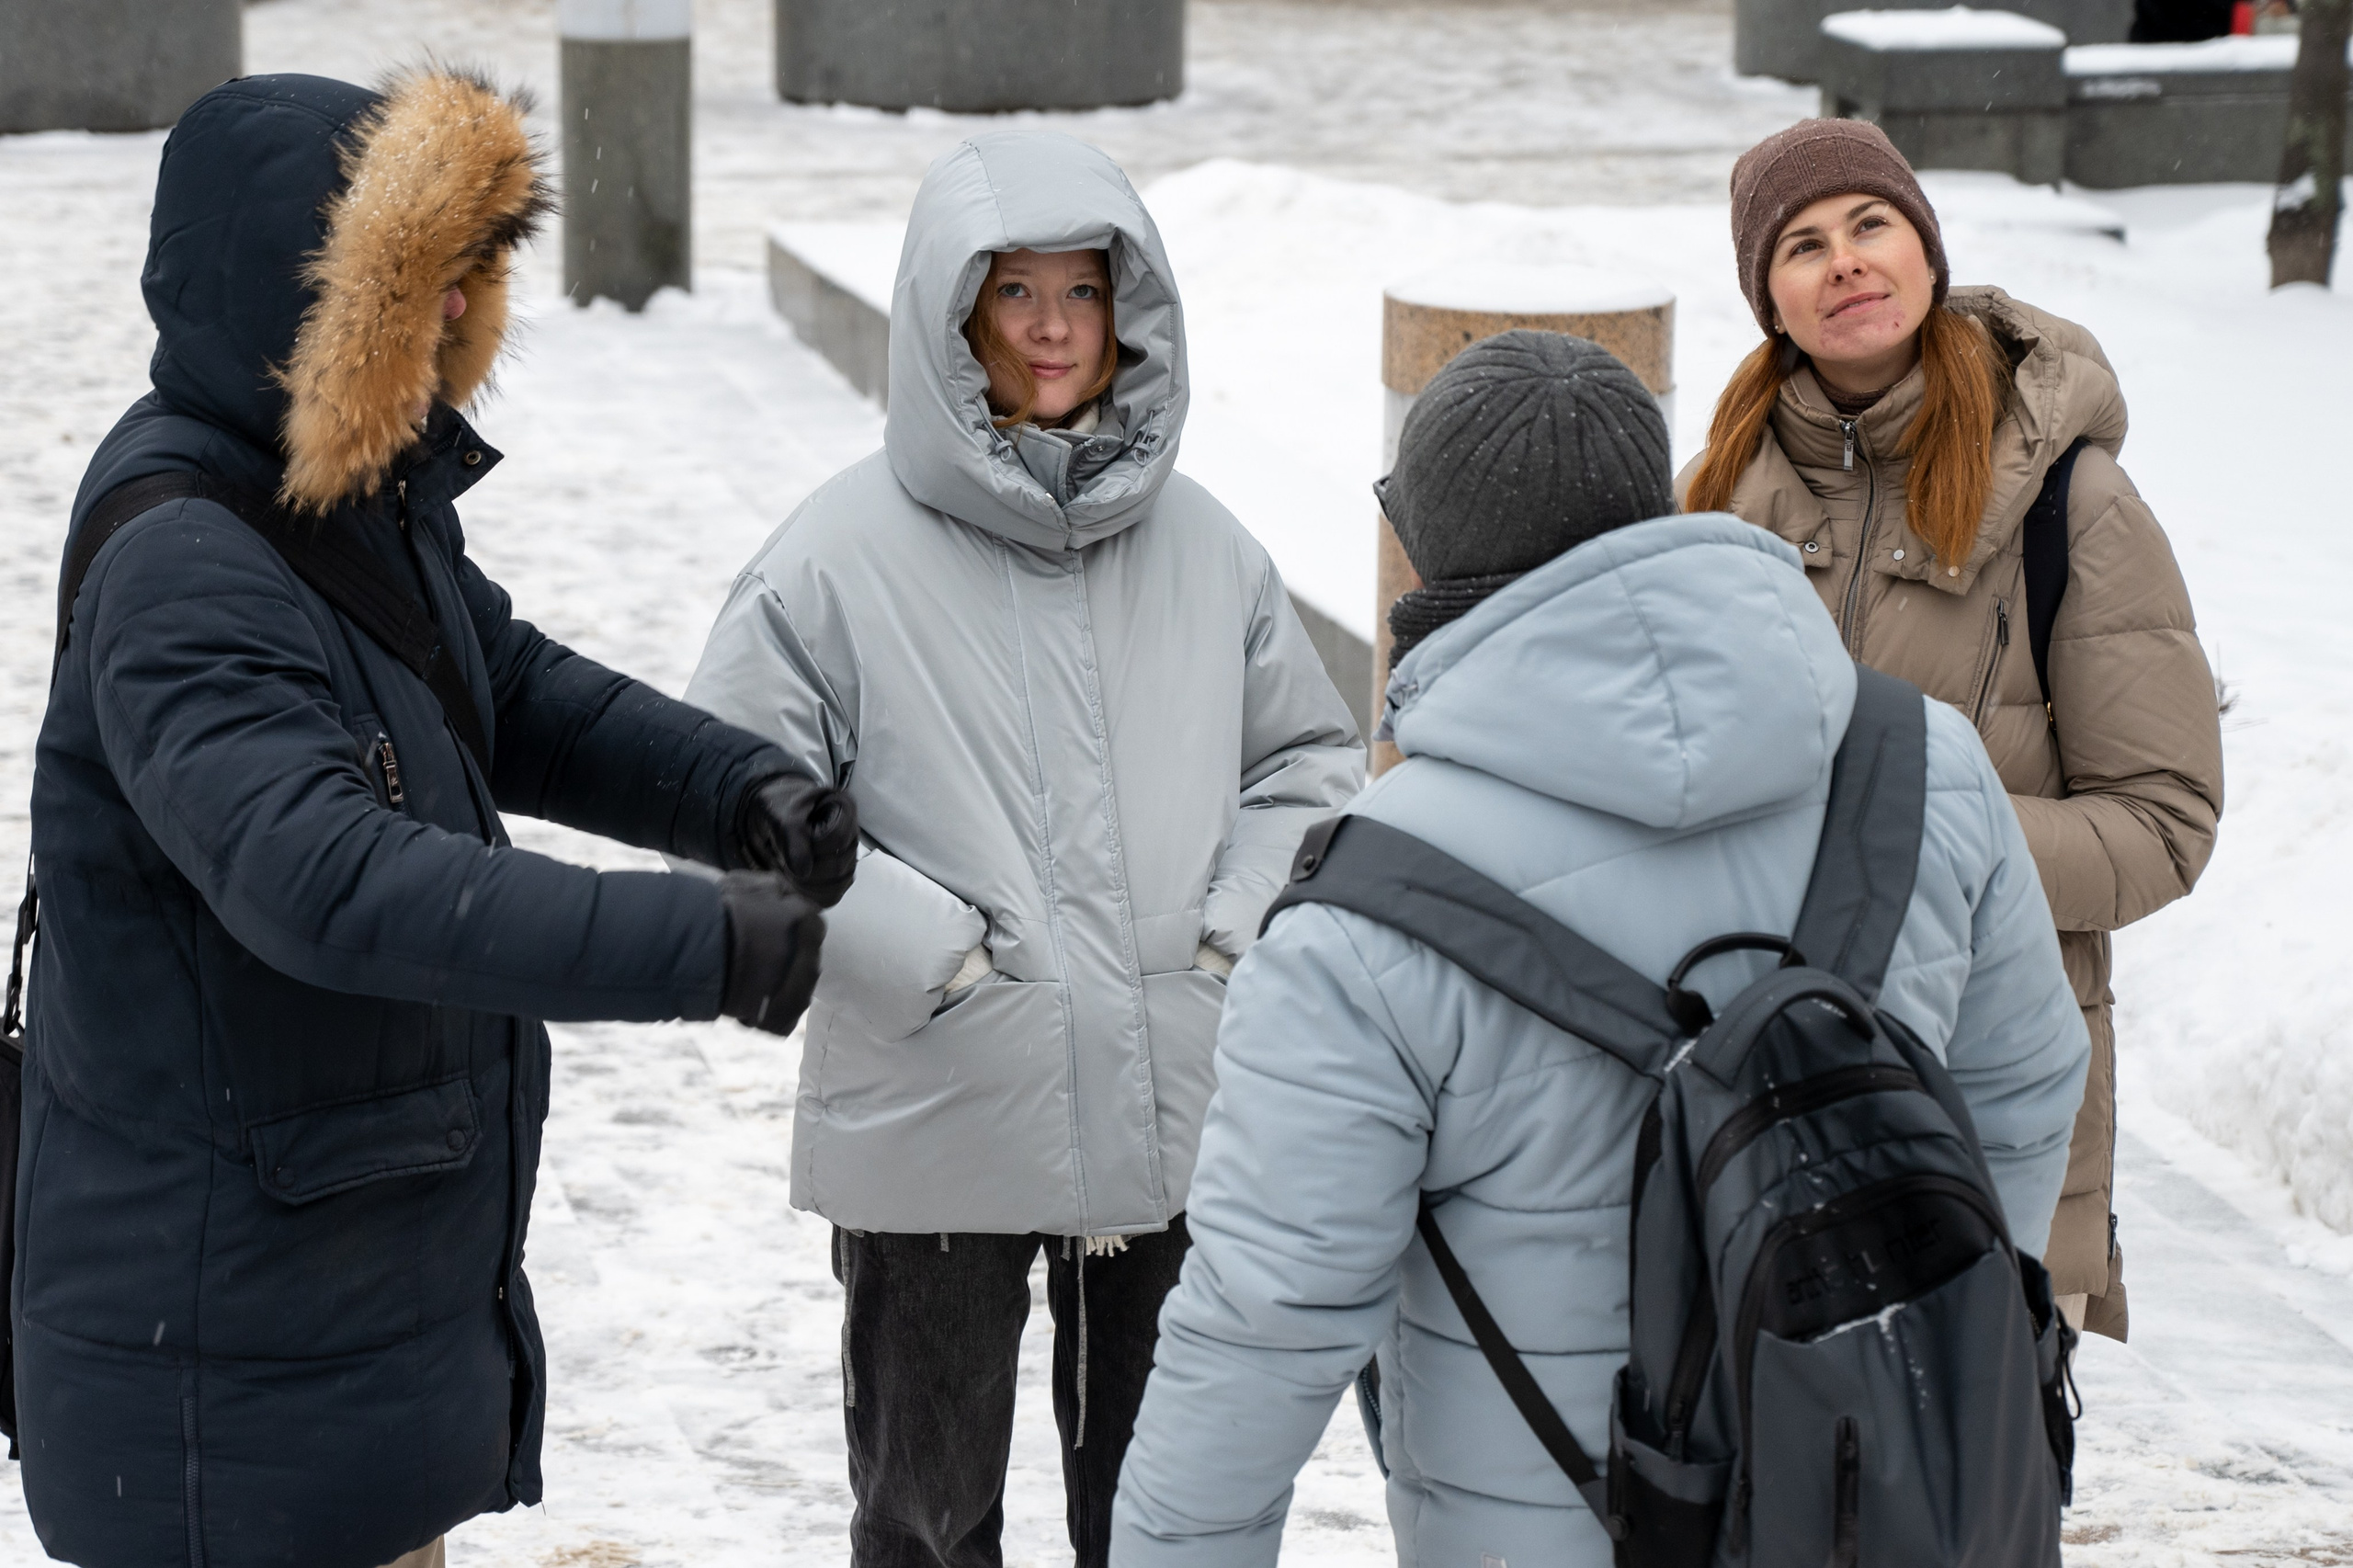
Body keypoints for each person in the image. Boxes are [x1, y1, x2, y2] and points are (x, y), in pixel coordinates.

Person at [12, 72, 854, 1568]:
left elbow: (508, 687)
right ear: (306, 299)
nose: (467, 306)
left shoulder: (335, 498)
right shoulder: (185, 565)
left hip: (328, 1326)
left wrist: (739, 792)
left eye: (475, 269)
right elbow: (327, 882)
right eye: (428, 274)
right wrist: (700, 945)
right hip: (225, 1378)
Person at [1108, 331, 2090, 1568]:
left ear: (1429, 553)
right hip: (1889, 1521)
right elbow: (2026, 1083)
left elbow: (1265, 1329)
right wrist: (1893, 1353)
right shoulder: (1924, 761)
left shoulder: (1365, 908)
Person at [680, 130, 1362, 1568]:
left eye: (1084, 292)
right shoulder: (832, 558)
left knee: (1169, 1513)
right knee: (930, 1520)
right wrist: (929, 955)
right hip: (938, 1111)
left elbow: (1308, 762)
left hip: (1175, 1106)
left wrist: (1229, 930)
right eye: (1014, 294)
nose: (1054, 328)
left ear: (1131, 315)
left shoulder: (1211, 551)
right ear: (954, 317)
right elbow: (729, 795)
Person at [1677, 119, 2224, 1338]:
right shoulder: (1709, 503)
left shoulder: (2071, 507)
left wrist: (1919, 837)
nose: (1847, 263)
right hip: (1753, 1117)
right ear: (1769, 298)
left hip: (1994, 1113)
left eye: (1872, 224)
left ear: (1926, 250)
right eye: (1804, 245)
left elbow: (2164, 827)